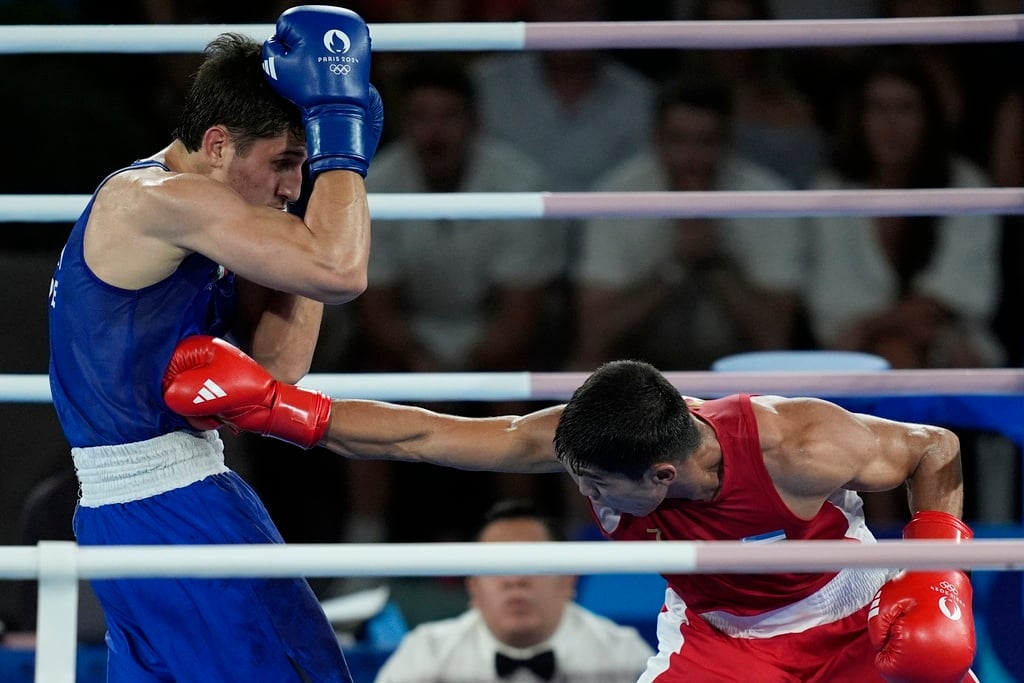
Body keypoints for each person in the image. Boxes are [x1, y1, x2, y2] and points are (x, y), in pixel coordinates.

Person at [163, 336, 979, 683]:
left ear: (661, 472)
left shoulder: (799, 442)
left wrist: (940, 573)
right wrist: (279, 404)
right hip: (727, 640)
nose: (586, 499)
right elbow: (422, 436)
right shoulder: (580, 438)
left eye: (599, 487)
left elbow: (934, 447)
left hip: (860, 614)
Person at [46, 5, 383, 681]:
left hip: (183, 495)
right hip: (163, 510)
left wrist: (300, 211)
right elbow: (342, 271)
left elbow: (278, 368)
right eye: (285, 164)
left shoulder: (223, 221)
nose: (293, 184)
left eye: (304, 165)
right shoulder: (153, 200)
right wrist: (343, 153)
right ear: (219, 143)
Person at [569, 77, 809, 372]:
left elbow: (775, 339)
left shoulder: (769, 199)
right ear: (655, 139)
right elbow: (594, 336)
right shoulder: (616, 197)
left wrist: (714, 263)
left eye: (704, 142)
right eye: (677, 140)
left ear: (727, 142)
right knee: (582, 368)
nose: (690, 158)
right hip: (639, 373)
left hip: (738, 372)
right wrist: (676, 266)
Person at [373, 498, 654, 682]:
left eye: (532, 564)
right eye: (498, 566)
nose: (515, 580)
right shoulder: (426, 652)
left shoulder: (623, 654)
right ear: (473, 587)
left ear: (568, 581)